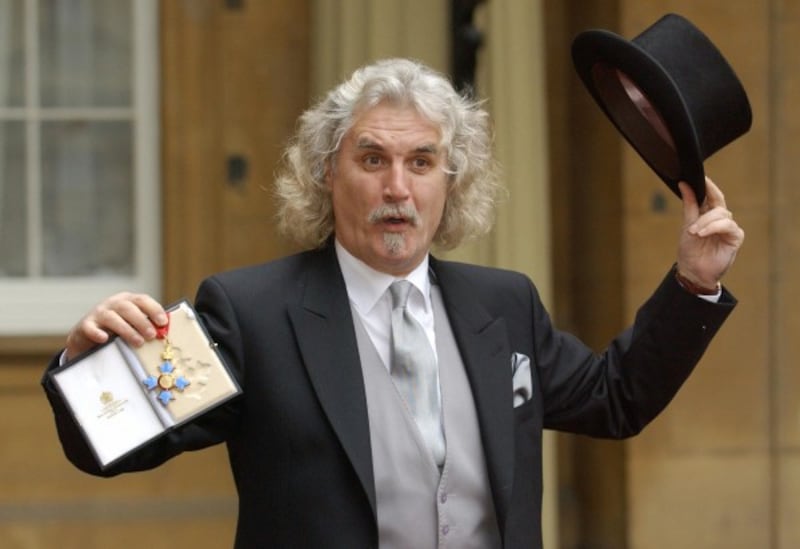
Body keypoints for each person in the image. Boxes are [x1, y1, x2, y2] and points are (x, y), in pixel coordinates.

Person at [42, 58, 744, 548]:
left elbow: (616, 399)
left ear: (451, 178)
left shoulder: (504, 304)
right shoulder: (250, 311)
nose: (398, 189)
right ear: (328, 171)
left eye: (422, 162)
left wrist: (693, 283)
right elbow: (111, 445)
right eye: (372, 159)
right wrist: (83, 357)